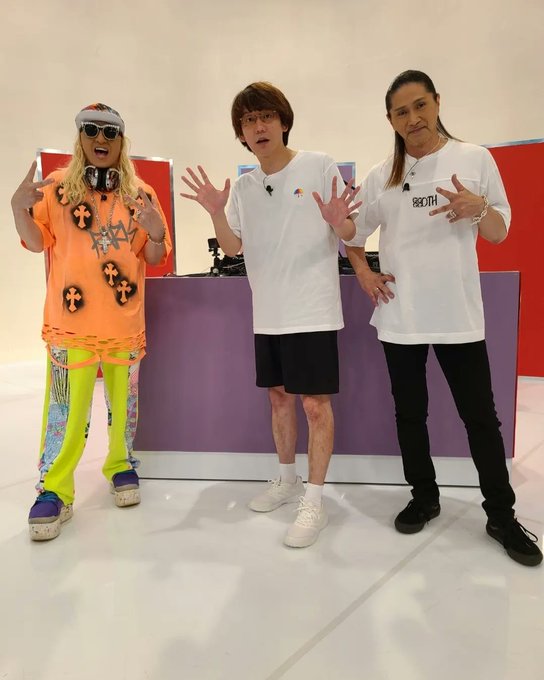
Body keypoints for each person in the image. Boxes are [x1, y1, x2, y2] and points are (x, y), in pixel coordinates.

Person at [346, 70, 542, 567]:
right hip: (400, 315)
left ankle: (501, 515)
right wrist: (364, 273)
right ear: (390, 120)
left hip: (457, 314)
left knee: (481, 418)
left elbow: (498, 231)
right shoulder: (381, 176)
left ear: (437, 102)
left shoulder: (474, 159)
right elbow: (352, 236)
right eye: (401, 112)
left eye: (420, 105)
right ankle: (424, 496)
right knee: (410, 414)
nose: (413, 118)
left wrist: (479, 206)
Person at [181, 82, 360, 548]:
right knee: (279, 399)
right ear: (241, 133)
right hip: (269, 313)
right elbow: (233, 247)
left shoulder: (318, 165)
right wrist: (216, 213)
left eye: (266, 116)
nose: (258, 127)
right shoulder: (243, 186)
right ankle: (287, 480)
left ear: (283, 121)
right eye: (248, 120)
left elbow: (349, 229)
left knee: (315, 406)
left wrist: (339, 221)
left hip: (312, 310)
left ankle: (315, 501)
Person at [11, 103, 171, 541]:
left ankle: (120, 464)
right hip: (70, 325)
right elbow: (35, 242)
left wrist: (156, 230)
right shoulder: (56, 188)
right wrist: (18, 209)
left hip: (123, 324)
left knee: (125, 407)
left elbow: (154, 256)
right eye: (91, 130)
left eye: (110, 132)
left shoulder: (140, 195)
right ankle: (54, 488)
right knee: (63, 411)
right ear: (80, 137)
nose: (101, 139)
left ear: (122, 141)